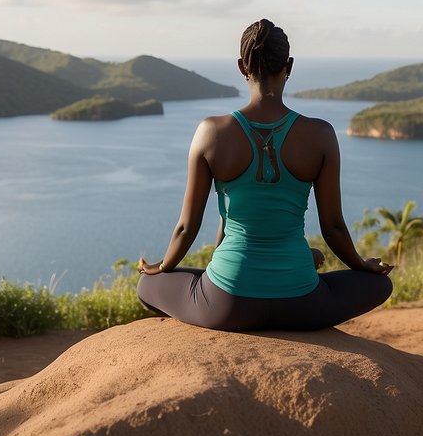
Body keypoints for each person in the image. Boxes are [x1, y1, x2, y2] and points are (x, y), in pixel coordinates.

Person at [136, 18, 393, 331]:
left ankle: (265, 272)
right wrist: (361, 264)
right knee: (380, 286)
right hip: (302, 306)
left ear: (243, 66)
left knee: (147, 286)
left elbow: (186, 228)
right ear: (289, 66)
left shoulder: (210, 132)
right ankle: (298, 261)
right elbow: (334, 228)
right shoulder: (321, 134)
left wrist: (162, 266)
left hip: (228, 306)